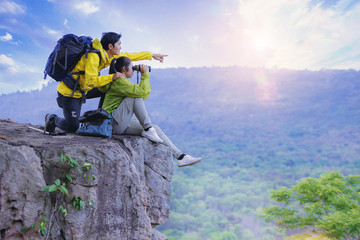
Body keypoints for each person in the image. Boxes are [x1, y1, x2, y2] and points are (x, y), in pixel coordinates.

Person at [45, 32, 167, 133]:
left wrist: (151, 55)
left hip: (82, 89)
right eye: (119, 44)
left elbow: (129, 56)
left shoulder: (107, 56)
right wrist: (111, 77)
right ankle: (52, 119)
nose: (121, 47)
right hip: (70, 92)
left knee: (109, 88)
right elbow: (89, 83)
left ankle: (101, 120)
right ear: (110, 46)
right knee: (72, 127)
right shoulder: (93, 57)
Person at [102, 56, 202, 167]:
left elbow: (142, 96)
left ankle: (181, 157)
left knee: (156, 129)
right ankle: (148, 128)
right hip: (111, 123)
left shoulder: (124, 83)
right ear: (124, 69)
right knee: (136, 100)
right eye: (132, 67)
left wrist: (144, 77)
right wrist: (145, 75)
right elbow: (140, 95)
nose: (134, 70)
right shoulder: (120, 82)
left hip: (118, 124)